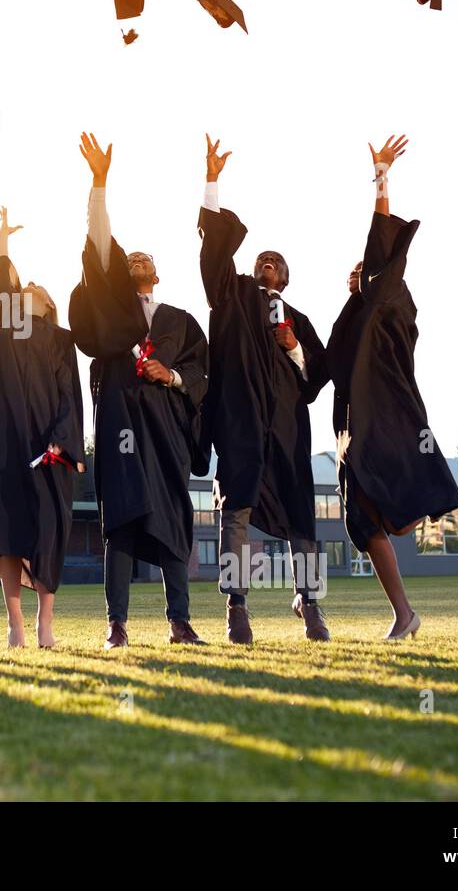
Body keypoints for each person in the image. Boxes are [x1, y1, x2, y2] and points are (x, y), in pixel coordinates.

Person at [68, 133, 210, 649]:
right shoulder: (113, 312)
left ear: (158, 272)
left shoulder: (181, 321)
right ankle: (117, 625)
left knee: (173, 518)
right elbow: (101, 242)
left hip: (167, 431)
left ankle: (180, 621)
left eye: (145, 259)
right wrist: (99, 184)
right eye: (130, 260)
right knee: (122, 522)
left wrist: (169, 377)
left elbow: (202, 376)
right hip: (122, 424)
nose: (137, 262)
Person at [326, 135, 458, 639]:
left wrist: (382, 179)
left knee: (378, 514)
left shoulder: (389, 302)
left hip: (384, 417)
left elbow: (380, 247)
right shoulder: (353, 318)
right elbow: (319, 370)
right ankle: (404, 614)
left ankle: (404, 593)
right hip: (350, 426)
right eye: (355, 272)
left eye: (369, 269)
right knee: (362, 523)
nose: (359, 272)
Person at [198, 134, 331, 643]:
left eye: (276, 260)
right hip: (241, 427)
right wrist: (212, 184)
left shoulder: (297, 319)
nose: (268, 262)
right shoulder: (232, 297)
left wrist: (293, 345)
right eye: (262, 259)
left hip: (288, 431)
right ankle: (236, 606)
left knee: (304, 522)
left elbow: (316, 376)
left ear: (288, 276)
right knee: (237, 514)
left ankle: (312, 604)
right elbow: (212, 259)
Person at [0, 206, 85, 648]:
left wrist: (61, 443)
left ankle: (45, 622)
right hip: (5, 438)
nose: (31, 285)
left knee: (47, 529)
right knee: (7, 528)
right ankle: (15, 623)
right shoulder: (5, 324)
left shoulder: (62, 340)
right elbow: (2, 282)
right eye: (27, 286)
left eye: (39, 286)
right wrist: (2, 241)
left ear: (50, 304)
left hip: (48, 446)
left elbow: (70, 397)